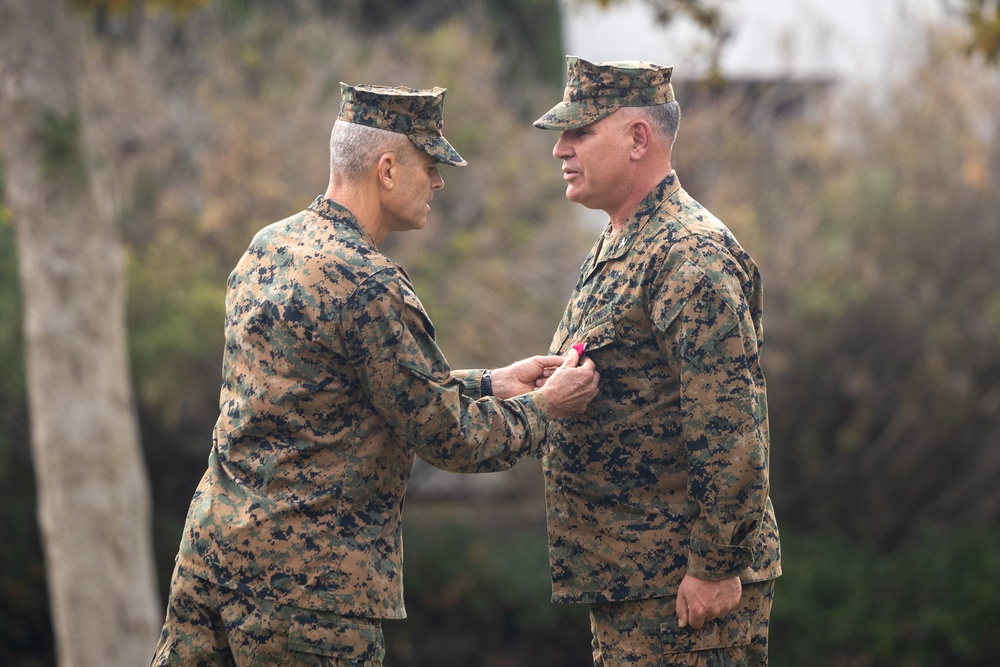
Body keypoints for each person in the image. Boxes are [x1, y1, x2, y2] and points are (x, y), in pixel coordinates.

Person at [150, 82, 599, 667]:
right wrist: (546, 408)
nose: (438, 181)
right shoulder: (368, 283)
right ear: (387, 170)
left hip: (212, 563)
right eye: (430, 164)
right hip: (309, 594)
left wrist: (493, 383)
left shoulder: (269, 247)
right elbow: (448, 435)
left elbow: (336, 396)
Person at [532, 56, 782, 666]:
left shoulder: (688, 256)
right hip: (633, 585)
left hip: (685, 596)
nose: (561, 148)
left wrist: (716, 568)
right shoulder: (624, 241)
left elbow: (730, 429)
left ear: (638, 137)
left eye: (580, 131)